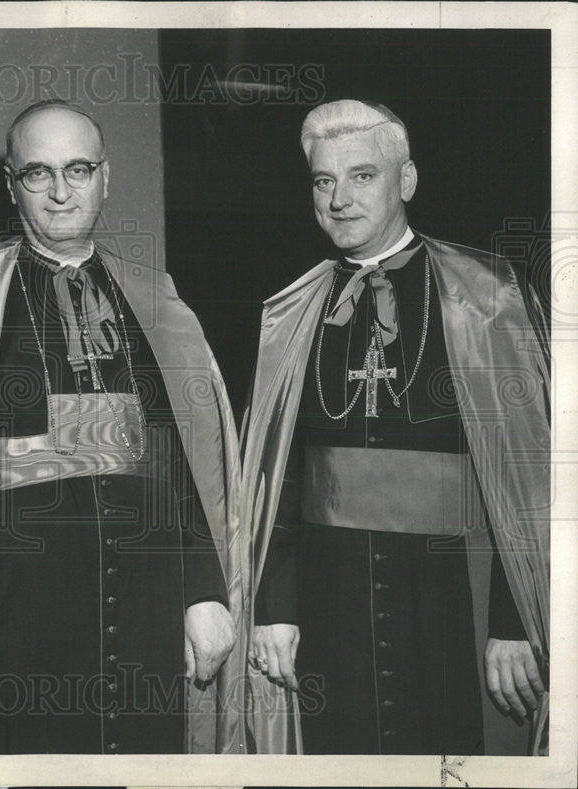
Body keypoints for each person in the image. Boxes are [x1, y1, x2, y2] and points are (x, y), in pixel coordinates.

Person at [0, 100, 241, 754]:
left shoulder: (156, 303)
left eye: (78, 170)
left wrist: (204, 590)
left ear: (105, 177)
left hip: (151, 614)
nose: (62, 191)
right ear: (12, 185)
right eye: (38, 173)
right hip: (19, 624)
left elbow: (187, 459)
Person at [241, 99, 550, 755]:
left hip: (452, 591)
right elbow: (276, 474)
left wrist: (514, 618)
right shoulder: (290, 309)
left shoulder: (486, 294)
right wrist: (275, 607)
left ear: (405, 180)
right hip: (328, 597)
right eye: (323, 181)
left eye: (362, 176)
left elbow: (531, 472)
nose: (339, 199)